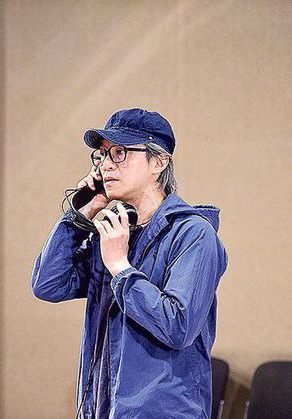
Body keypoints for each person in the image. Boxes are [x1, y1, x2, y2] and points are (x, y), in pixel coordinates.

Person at [31, 108, 228, 418]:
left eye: (120, 153)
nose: (106, 165)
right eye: (102, 155)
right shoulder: (117, 233)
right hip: (104, 409)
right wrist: (81, 216)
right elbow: (49, 284)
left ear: (158, 162)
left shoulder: (193, 234)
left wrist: (121, 269)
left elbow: (178, 326)